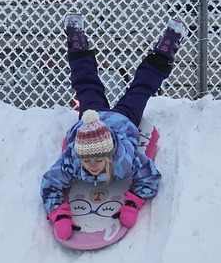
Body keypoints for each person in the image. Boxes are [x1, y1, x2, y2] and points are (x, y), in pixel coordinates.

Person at [40, 13, 188, 241]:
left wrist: (132, 203)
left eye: (99, 160)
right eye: (87, 160)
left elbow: (150, 177)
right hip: (92, 117)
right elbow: (50, 183)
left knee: (141, 88)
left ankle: (167, 46)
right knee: (85, 83)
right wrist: (59, 215)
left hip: (123, 121)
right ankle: (76, 40)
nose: (93, 165)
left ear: (109, 156)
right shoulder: (73, 158)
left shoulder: (124, 160)